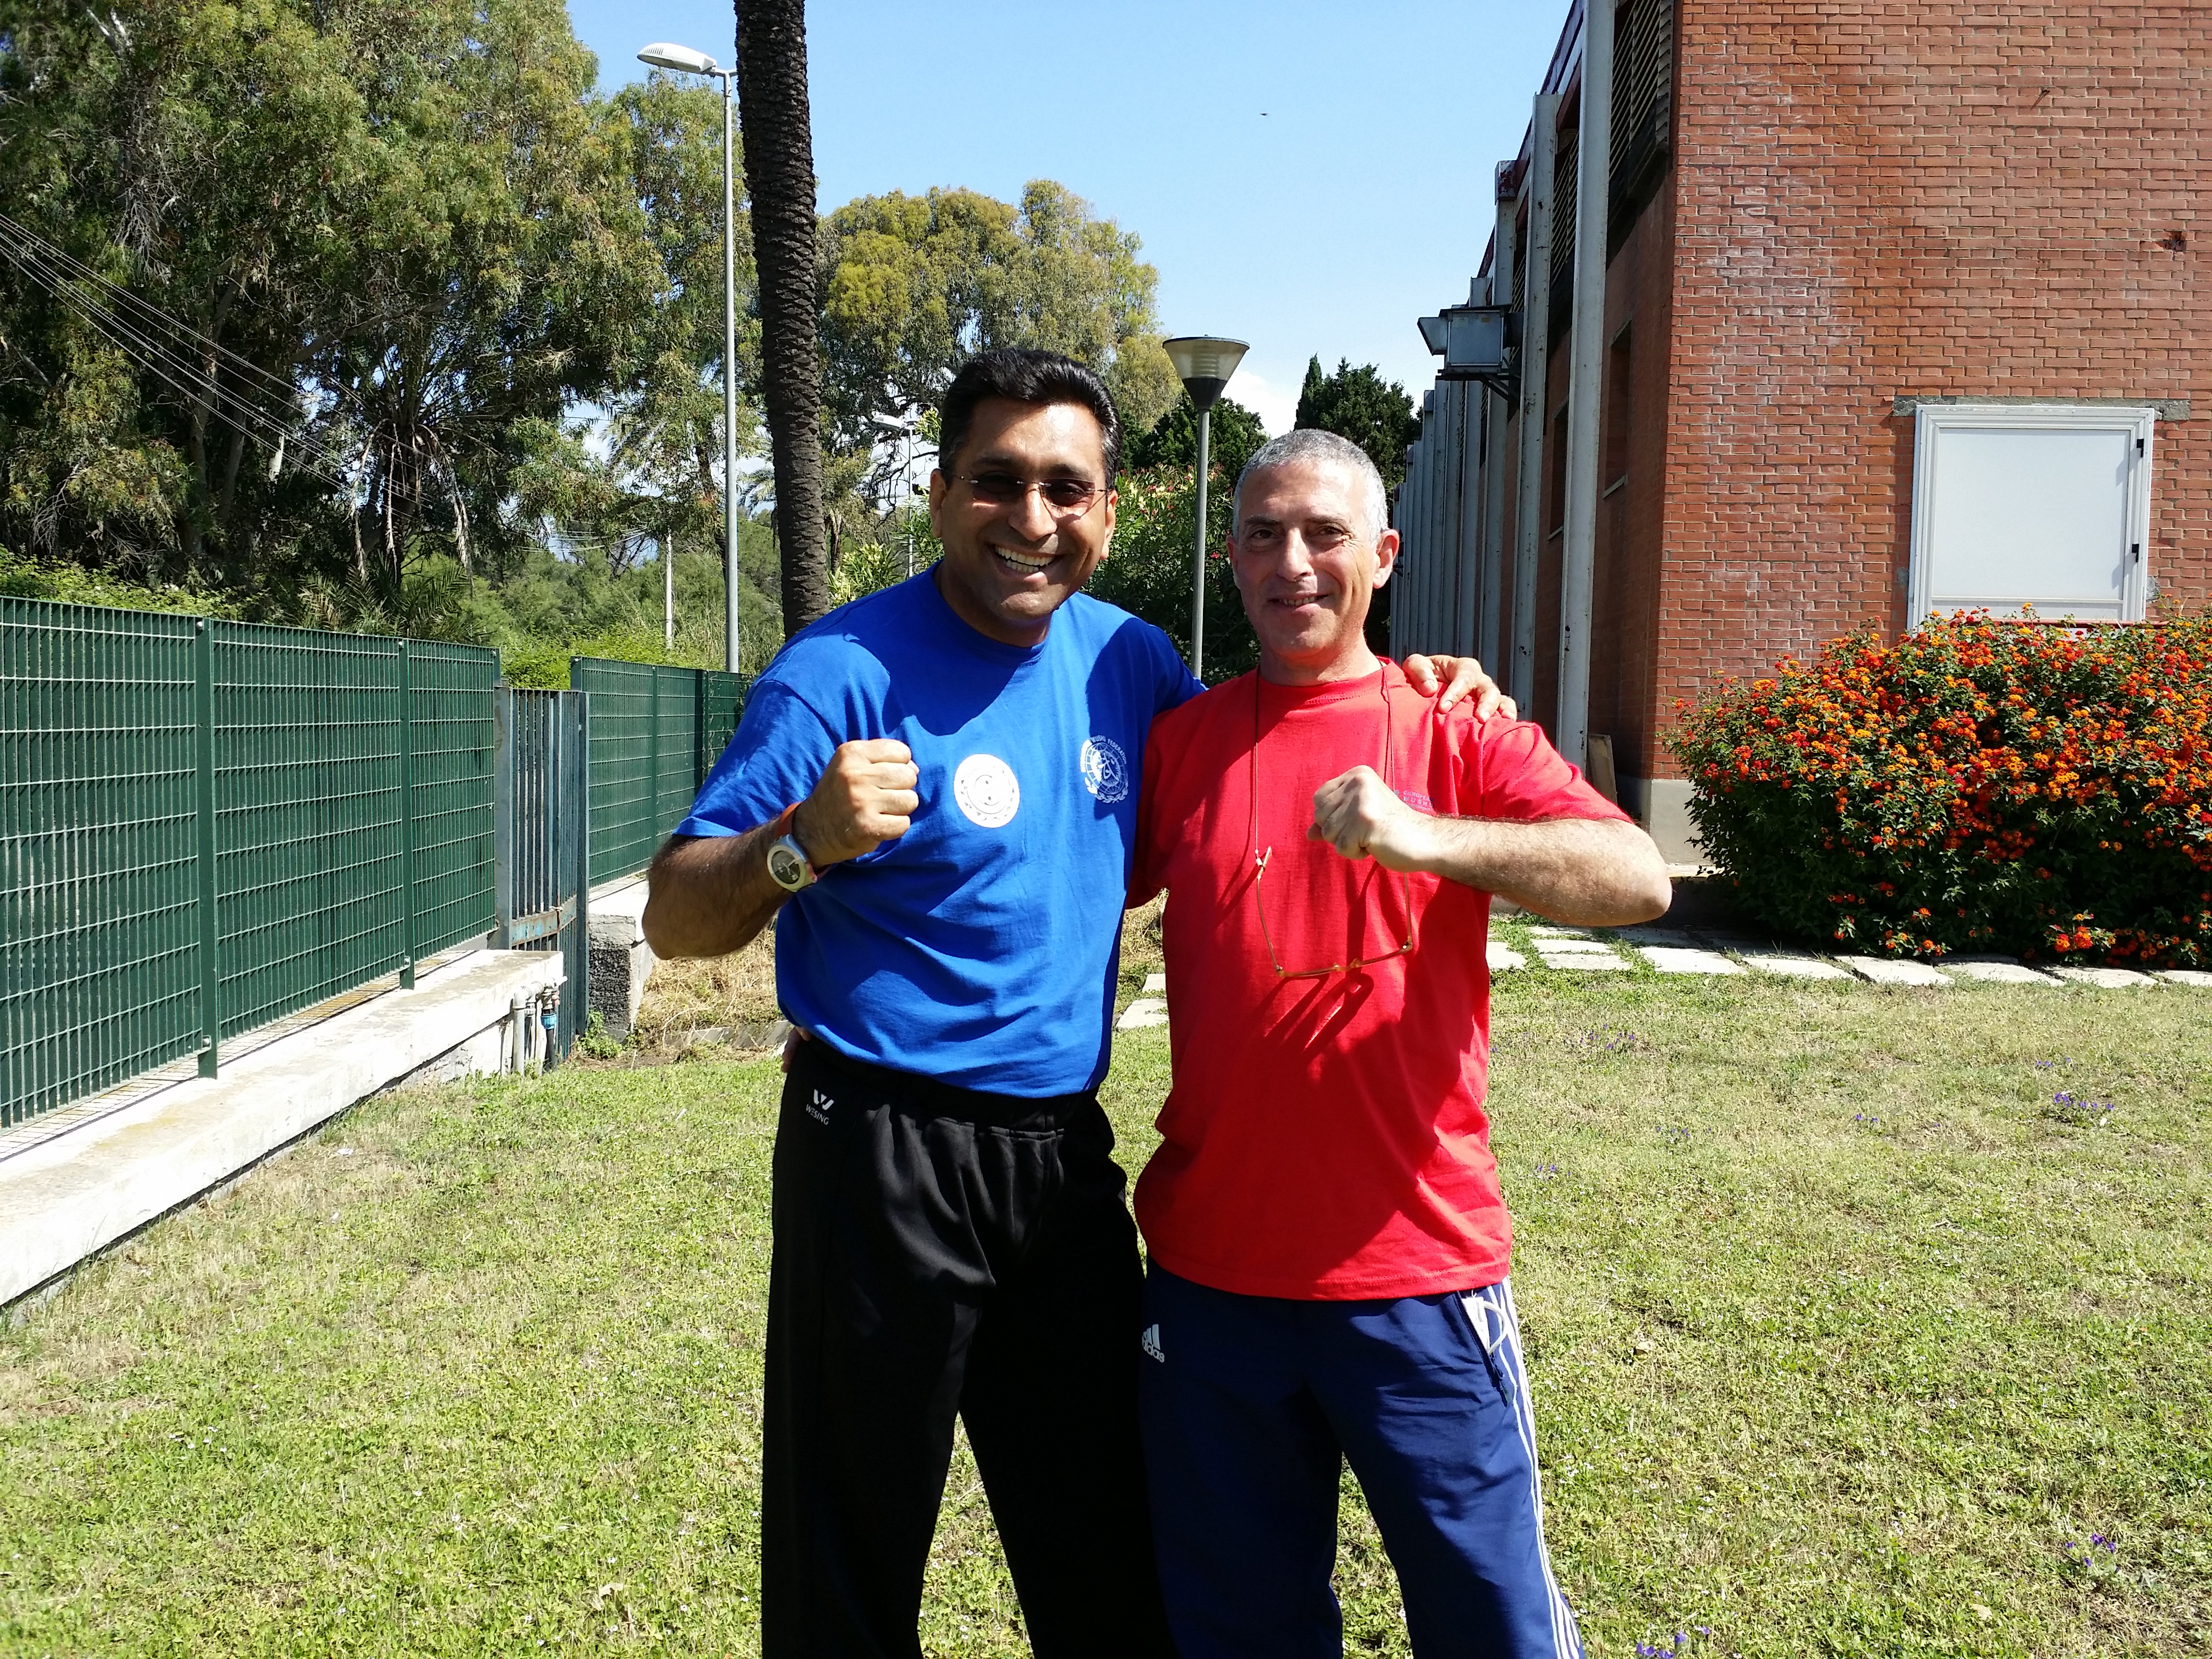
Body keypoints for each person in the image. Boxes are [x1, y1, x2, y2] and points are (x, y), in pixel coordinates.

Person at [641, 350, 1502, 1658]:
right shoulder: (838, 670)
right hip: (876, 1151)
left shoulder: (1133, 664)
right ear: (941, 496)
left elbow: (1262, 750)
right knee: (851, 1544)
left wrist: (1417, 685)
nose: (1031, 520)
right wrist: (800, 840)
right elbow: (673, 916)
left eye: (1065, 488)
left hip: (1059, 1163)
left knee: (1111, 1539)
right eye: (998, 482)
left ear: (1108, 510)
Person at [1128, 427, 1672, 1659]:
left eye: (1325, 533)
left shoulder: (1452, 727)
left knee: (1492, 1625)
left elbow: (1635, 878)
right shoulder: (1185, 743)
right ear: (1231, 559)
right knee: (1240, 1632)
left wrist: (1431, 836)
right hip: (1213, 1283)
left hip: (1415, 1275)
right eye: (1262, 534)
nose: (1293, 562)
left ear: (1384, 554)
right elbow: (1054, 881)